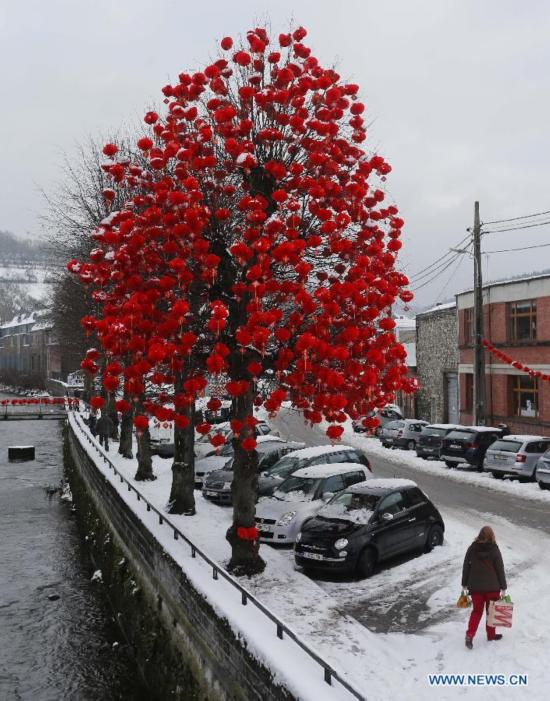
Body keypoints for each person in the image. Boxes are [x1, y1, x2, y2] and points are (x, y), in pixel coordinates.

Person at [461, 525, 507, 649]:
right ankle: (491, 635)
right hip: (493, 588)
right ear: (492, 536)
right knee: (491, 613)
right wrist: (503, 586)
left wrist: (464, 583)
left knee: (476, 612)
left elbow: (466, 566)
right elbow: (500, 569)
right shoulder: (494, 549)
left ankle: (470, 635)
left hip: (476, 588)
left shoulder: (472, 548)